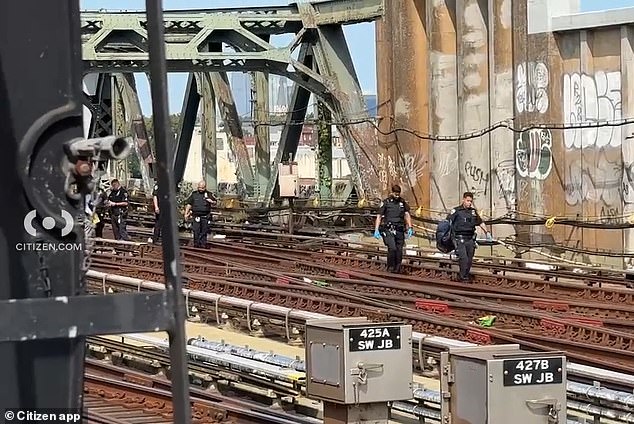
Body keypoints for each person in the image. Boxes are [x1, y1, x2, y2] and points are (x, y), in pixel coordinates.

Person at [446, 191, 490, 282]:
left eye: (471, 201)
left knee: (469, 259)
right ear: (463, 200)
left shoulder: (473, 212)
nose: (469, 203)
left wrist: (487, 232)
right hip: (459, 238)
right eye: (468, 201)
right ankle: (463, 278)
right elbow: (448, 222)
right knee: (463, 259)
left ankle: (465, 275)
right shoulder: (456, 211)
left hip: (470, 239)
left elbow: (480, 222)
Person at [373, 184, 414, 273]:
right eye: (395, 193)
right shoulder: (386, 202)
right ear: (392, 193)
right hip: (389, 229)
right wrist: (376, 229)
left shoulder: (402, 202)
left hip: (399, 229)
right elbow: (379, 216)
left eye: (398, 193)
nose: (397, 195)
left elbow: (407, 214)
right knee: (392, 248)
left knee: (399, 250)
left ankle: (397, 268)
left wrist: (410, 227)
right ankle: (390, 267)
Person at [184, 180, 217, 248]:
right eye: (199, 187)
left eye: (202, 188)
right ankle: (196, 243)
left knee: (204, 231)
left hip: (205, 216)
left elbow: (215, 202)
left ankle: (203, 244)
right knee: (196, 230)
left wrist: (211, 201)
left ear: (205, 187)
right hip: (196, 216)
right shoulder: (194, 194)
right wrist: (186, 213)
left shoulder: (209, 194)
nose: (200, 189)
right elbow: (189, 204)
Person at [149, 180, 161, 244]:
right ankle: (156, 239)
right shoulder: (158, 184)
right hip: (160, 207)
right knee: (158, 223)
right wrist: (156, 206)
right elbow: (155, 196)